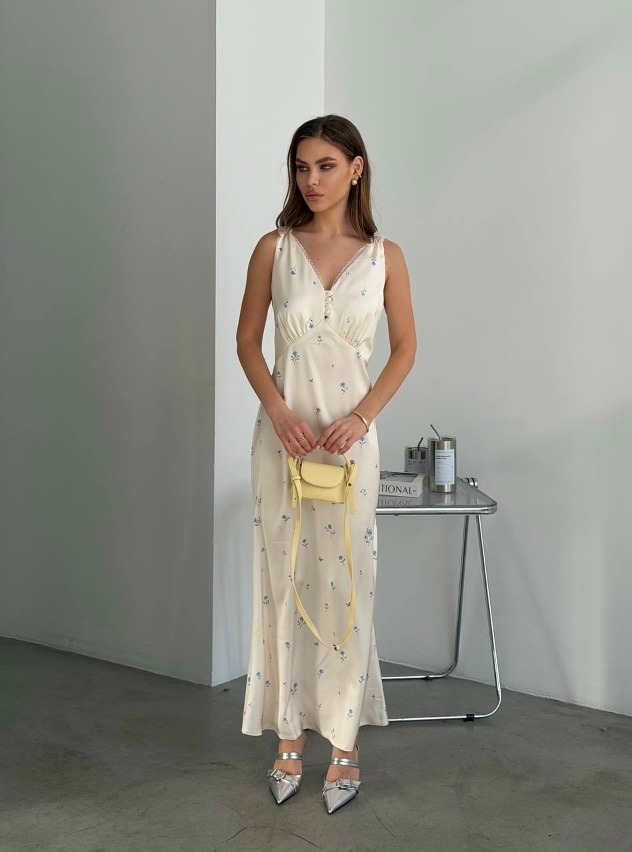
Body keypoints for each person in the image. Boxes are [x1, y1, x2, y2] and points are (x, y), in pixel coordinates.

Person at [236, 115, 416, 813]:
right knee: (284, 581)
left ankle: (344, 744)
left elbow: (405, 348)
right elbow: (248, 341)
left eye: (326, 166)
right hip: (283, 441)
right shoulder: (274, 248)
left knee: (347, 583)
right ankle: (288, 737)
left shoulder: (385, 257)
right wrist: (279, 412)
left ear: (356, 168)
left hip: (350, 445)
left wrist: (362, 416)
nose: (311, 180)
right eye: (301, 167)